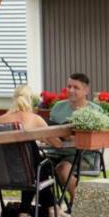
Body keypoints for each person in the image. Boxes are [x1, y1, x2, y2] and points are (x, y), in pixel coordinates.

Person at [0, 84, 64, 217]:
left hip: (6, 173)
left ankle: (26, 214)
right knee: (42, 168)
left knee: (34, 166)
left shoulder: (1, 120)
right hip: (29, 173)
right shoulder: (34, 119)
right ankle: (50, 209)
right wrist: (43, 138)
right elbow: (57, 144)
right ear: (30, 100)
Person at [45, 72, 102, 201]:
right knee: (34, 167)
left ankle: (77, 202)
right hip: (55, 153)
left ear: (86, 90)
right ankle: (49, 208)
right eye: (69, 86)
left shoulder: (95, 111)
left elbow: (99, 139)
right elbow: (48, 132)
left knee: (63, 169)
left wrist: (74, 138)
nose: (70, 90)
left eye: (76, 88)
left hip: (84, 155)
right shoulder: (58, 107)